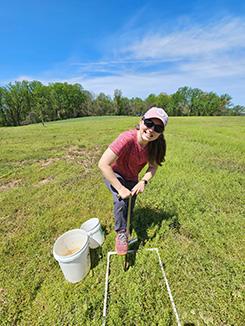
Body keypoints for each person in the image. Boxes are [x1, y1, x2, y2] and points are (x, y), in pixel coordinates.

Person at [98, 107, 168, 255]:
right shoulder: (127, 138)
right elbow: (103, 164)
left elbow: (153, 167)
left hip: (132, 177)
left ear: (161, 132)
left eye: (158, 127)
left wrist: (143, 181)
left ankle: (127, 227)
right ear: (141, 121)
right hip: (114, 174)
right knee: (121, 200)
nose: (151, 129)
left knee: (130, 204)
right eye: (149, 123)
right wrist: (120, 188)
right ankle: (121, 233)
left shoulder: (155, 145)